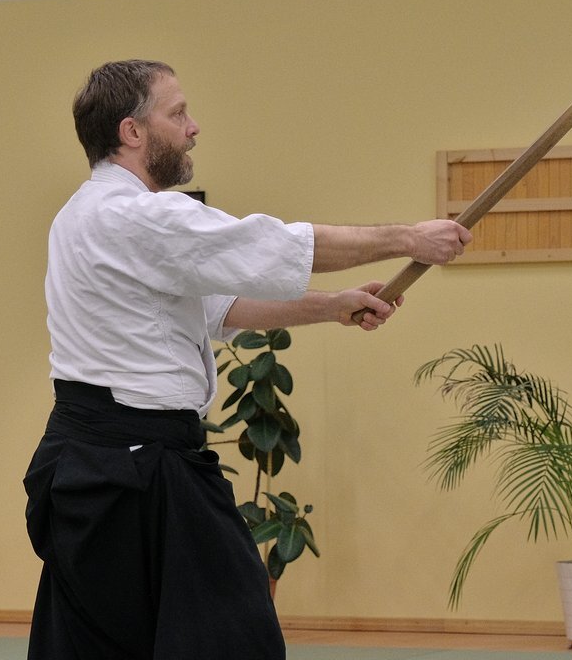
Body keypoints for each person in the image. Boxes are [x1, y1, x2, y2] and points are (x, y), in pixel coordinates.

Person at [23, 59, 472, 659]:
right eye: (177, 113)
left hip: (98, 461)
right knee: (233, 636)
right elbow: (271, 245)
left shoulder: (83, 214)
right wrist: (409, 239)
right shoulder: (135, 215)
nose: (193, 127)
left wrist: (333, 306)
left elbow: (215, 308)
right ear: (132, 131)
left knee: (112, 644)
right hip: (133, 470)